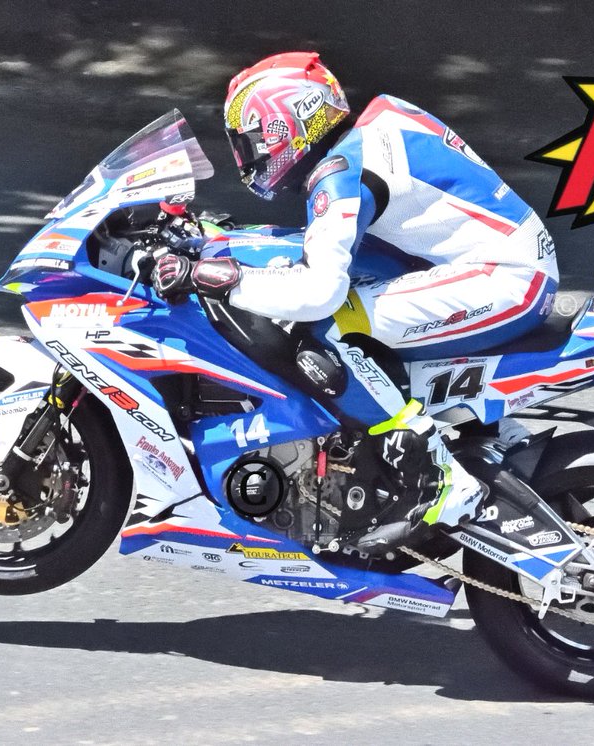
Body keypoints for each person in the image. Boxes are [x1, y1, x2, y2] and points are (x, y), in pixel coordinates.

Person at [152, 52, 559, 552]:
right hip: (508, 266)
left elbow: (319, 291)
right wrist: (223, 242)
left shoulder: (341, 169)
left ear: (285, 124)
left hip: (505, 280)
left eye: (252, 141)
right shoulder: (377, 123)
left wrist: (222, 278)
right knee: (338, 294)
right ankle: (491, 437)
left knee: (326, 322)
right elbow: (343, 243)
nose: (249, 157)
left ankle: (433, 471)